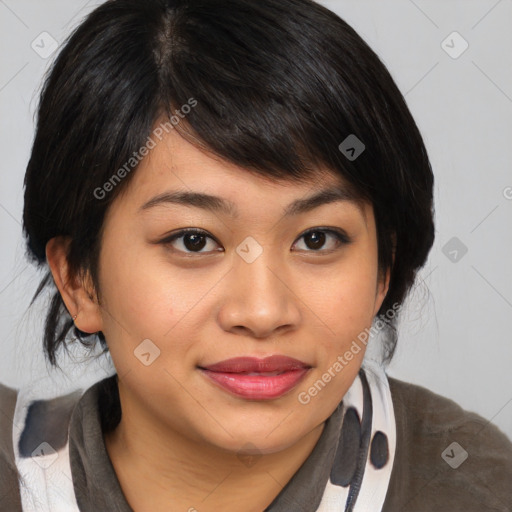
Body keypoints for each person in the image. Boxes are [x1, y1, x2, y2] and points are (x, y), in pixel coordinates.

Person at [1, 0, 511, 510]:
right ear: (78, 280)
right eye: (193, 240)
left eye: (317, 239)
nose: (264, 312)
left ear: (384, 270)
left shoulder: (476, 488)